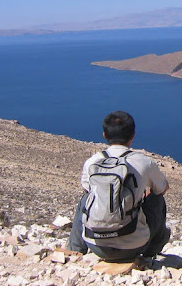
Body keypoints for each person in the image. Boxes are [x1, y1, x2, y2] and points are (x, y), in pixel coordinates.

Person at [68, 111, 170, 261]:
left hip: (96, 245)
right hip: (134, 246)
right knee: (157, 199)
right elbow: (163, 188)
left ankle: (75, 251)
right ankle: (151, 253)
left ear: (104, 135)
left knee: (85, 199)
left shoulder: (92, 162)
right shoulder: (143, 162)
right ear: (133, 135)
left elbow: (87, 189)